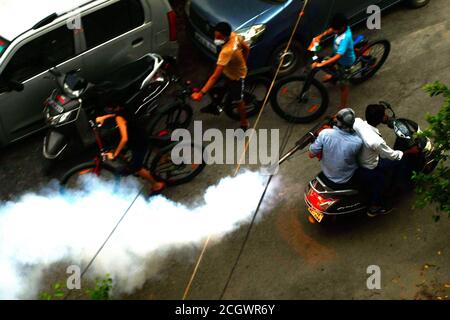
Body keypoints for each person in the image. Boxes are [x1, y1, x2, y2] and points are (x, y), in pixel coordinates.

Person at [353, 104, 420, 217]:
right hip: (371, 165)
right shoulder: (375, 141)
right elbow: (393, 155)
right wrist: (409, 152)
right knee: (400, 161)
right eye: (384, 115)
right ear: (380, 119)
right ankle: (376, 206)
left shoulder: (357, 122)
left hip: (360, 156)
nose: (386, 116)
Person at [191, 22, 251, 130]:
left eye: (218, 37)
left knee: (238, 101)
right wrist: (243, 63)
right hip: (228, 68)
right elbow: (247, 49)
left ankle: (244, 123)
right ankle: (215, 104)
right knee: (213, 85)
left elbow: (214, 76)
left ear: (226, 36)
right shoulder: (234, 36)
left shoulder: (226, 52)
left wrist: (200, 94)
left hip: (236, 76)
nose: (216, 38)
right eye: (215, 35)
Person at [95, 106, 166, 194]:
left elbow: (124, 139)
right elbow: (114, 114)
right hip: (138, 133)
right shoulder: (123, 109)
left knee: (136, 167)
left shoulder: (119, 118)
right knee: (116, 143)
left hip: (138, 142)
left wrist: (115, 155)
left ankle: (157, 185)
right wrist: (103, 118)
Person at [311, 13, 356, 109]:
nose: (334, 31)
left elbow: (339, 56)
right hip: (336, 55)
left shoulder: (345, 38)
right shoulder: (340, 28)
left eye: (336, 29)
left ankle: (343, 107)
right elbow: (331, 30)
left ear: (342, 27)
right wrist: (320, 36)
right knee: (327, 63)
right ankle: (333, 75)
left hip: (345, 63)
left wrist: (320, 64)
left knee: (343, 86)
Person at [309, 108, 363, 188]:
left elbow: (311, 153)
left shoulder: (325, 133)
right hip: (345, 178)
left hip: (327, 173)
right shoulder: (357, 142)